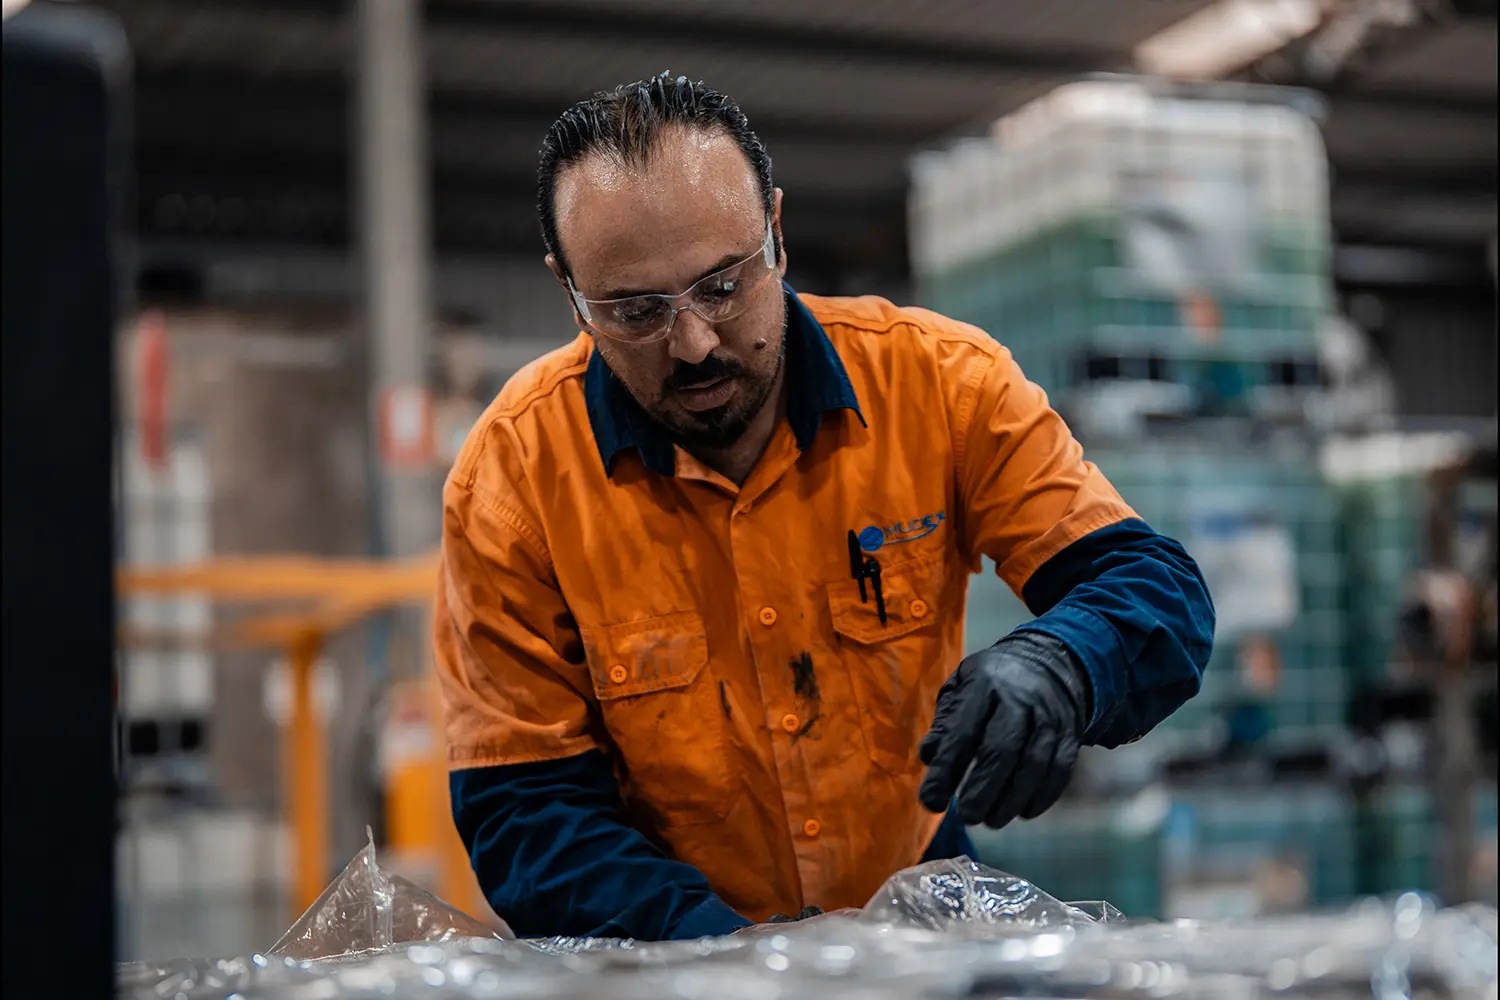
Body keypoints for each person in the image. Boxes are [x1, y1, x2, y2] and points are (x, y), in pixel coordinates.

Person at [435, 72, 1215, 941]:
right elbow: (524, 811)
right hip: (671, 959)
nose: (693, 343)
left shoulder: (942, 386)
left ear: (775, 229)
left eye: (723, 285)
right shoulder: (514, 478)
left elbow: (1152, 587)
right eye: (635, 310)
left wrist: (1064, 665)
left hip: (917, 928)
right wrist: (738, 967)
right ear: (569, 288)